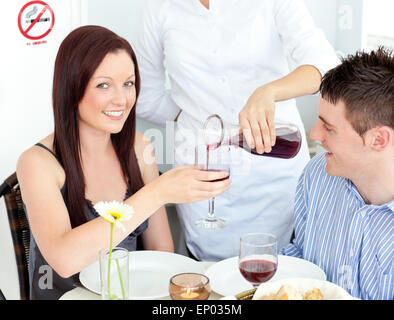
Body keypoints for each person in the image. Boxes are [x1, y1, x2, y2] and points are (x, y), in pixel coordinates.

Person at [16, 25, 231, 300]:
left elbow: (162, 255)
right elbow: (64, 258)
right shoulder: (37, 162)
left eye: (128, 83)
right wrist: (157, 192)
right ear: (72, 87)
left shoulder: (139, 148)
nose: (122, 99)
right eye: (103, 85)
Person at [134, 0, 339, 260]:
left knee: (276, 273)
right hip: (203, 175)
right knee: (211, 277)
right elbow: (146, 96)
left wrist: (269, 91)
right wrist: (195, 117)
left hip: (274, 169)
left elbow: (324, 66)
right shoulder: (158, 9)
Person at [280, 47, 394, 300]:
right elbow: (301, 258)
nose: (314, 135)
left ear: (379, 139)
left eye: (328, 128)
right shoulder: (317, 175)